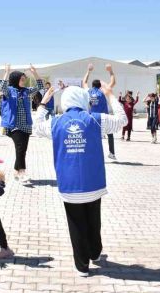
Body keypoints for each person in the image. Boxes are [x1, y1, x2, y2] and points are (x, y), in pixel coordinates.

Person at [33, 82, 127, 276]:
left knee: (76, 223)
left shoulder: (56, 122)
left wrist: (43, 103)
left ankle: (82, 265)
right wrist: (110, 96)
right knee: (94, 218)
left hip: (69, 184)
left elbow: (36, 127)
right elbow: (122, 119)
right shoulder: (95, 119)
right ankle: (95, 252)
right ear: (84, 99)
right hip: (94, 182)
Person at [0, 64, 44, 184]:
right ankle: (22, 172)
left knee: (22, 150)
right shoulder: (9, 91)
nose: (24, 81)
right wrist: (7, 72)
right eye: (22, 79)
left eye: (25, 79)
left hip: (26, 124)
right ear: (15, 80)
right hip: (14, 125)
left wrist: (35, 72)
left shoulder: (26, 91)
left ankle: (16, 171)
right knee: (20, 148)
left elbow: (40, 86)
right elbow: (2, 86)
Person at [83, 63, 117, 160]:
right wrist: (110, 71)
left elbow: (84, 82)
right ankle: (112, 153)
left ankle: (93, 154)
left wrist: (88, 71)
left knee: (93, 136)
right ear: (100, 85)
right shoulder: (103, 91)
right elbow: (113, 82)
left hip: (93, 117)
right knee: (110, 133)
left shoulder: (89, 91)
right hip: (104, 117)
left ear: (92, 85)